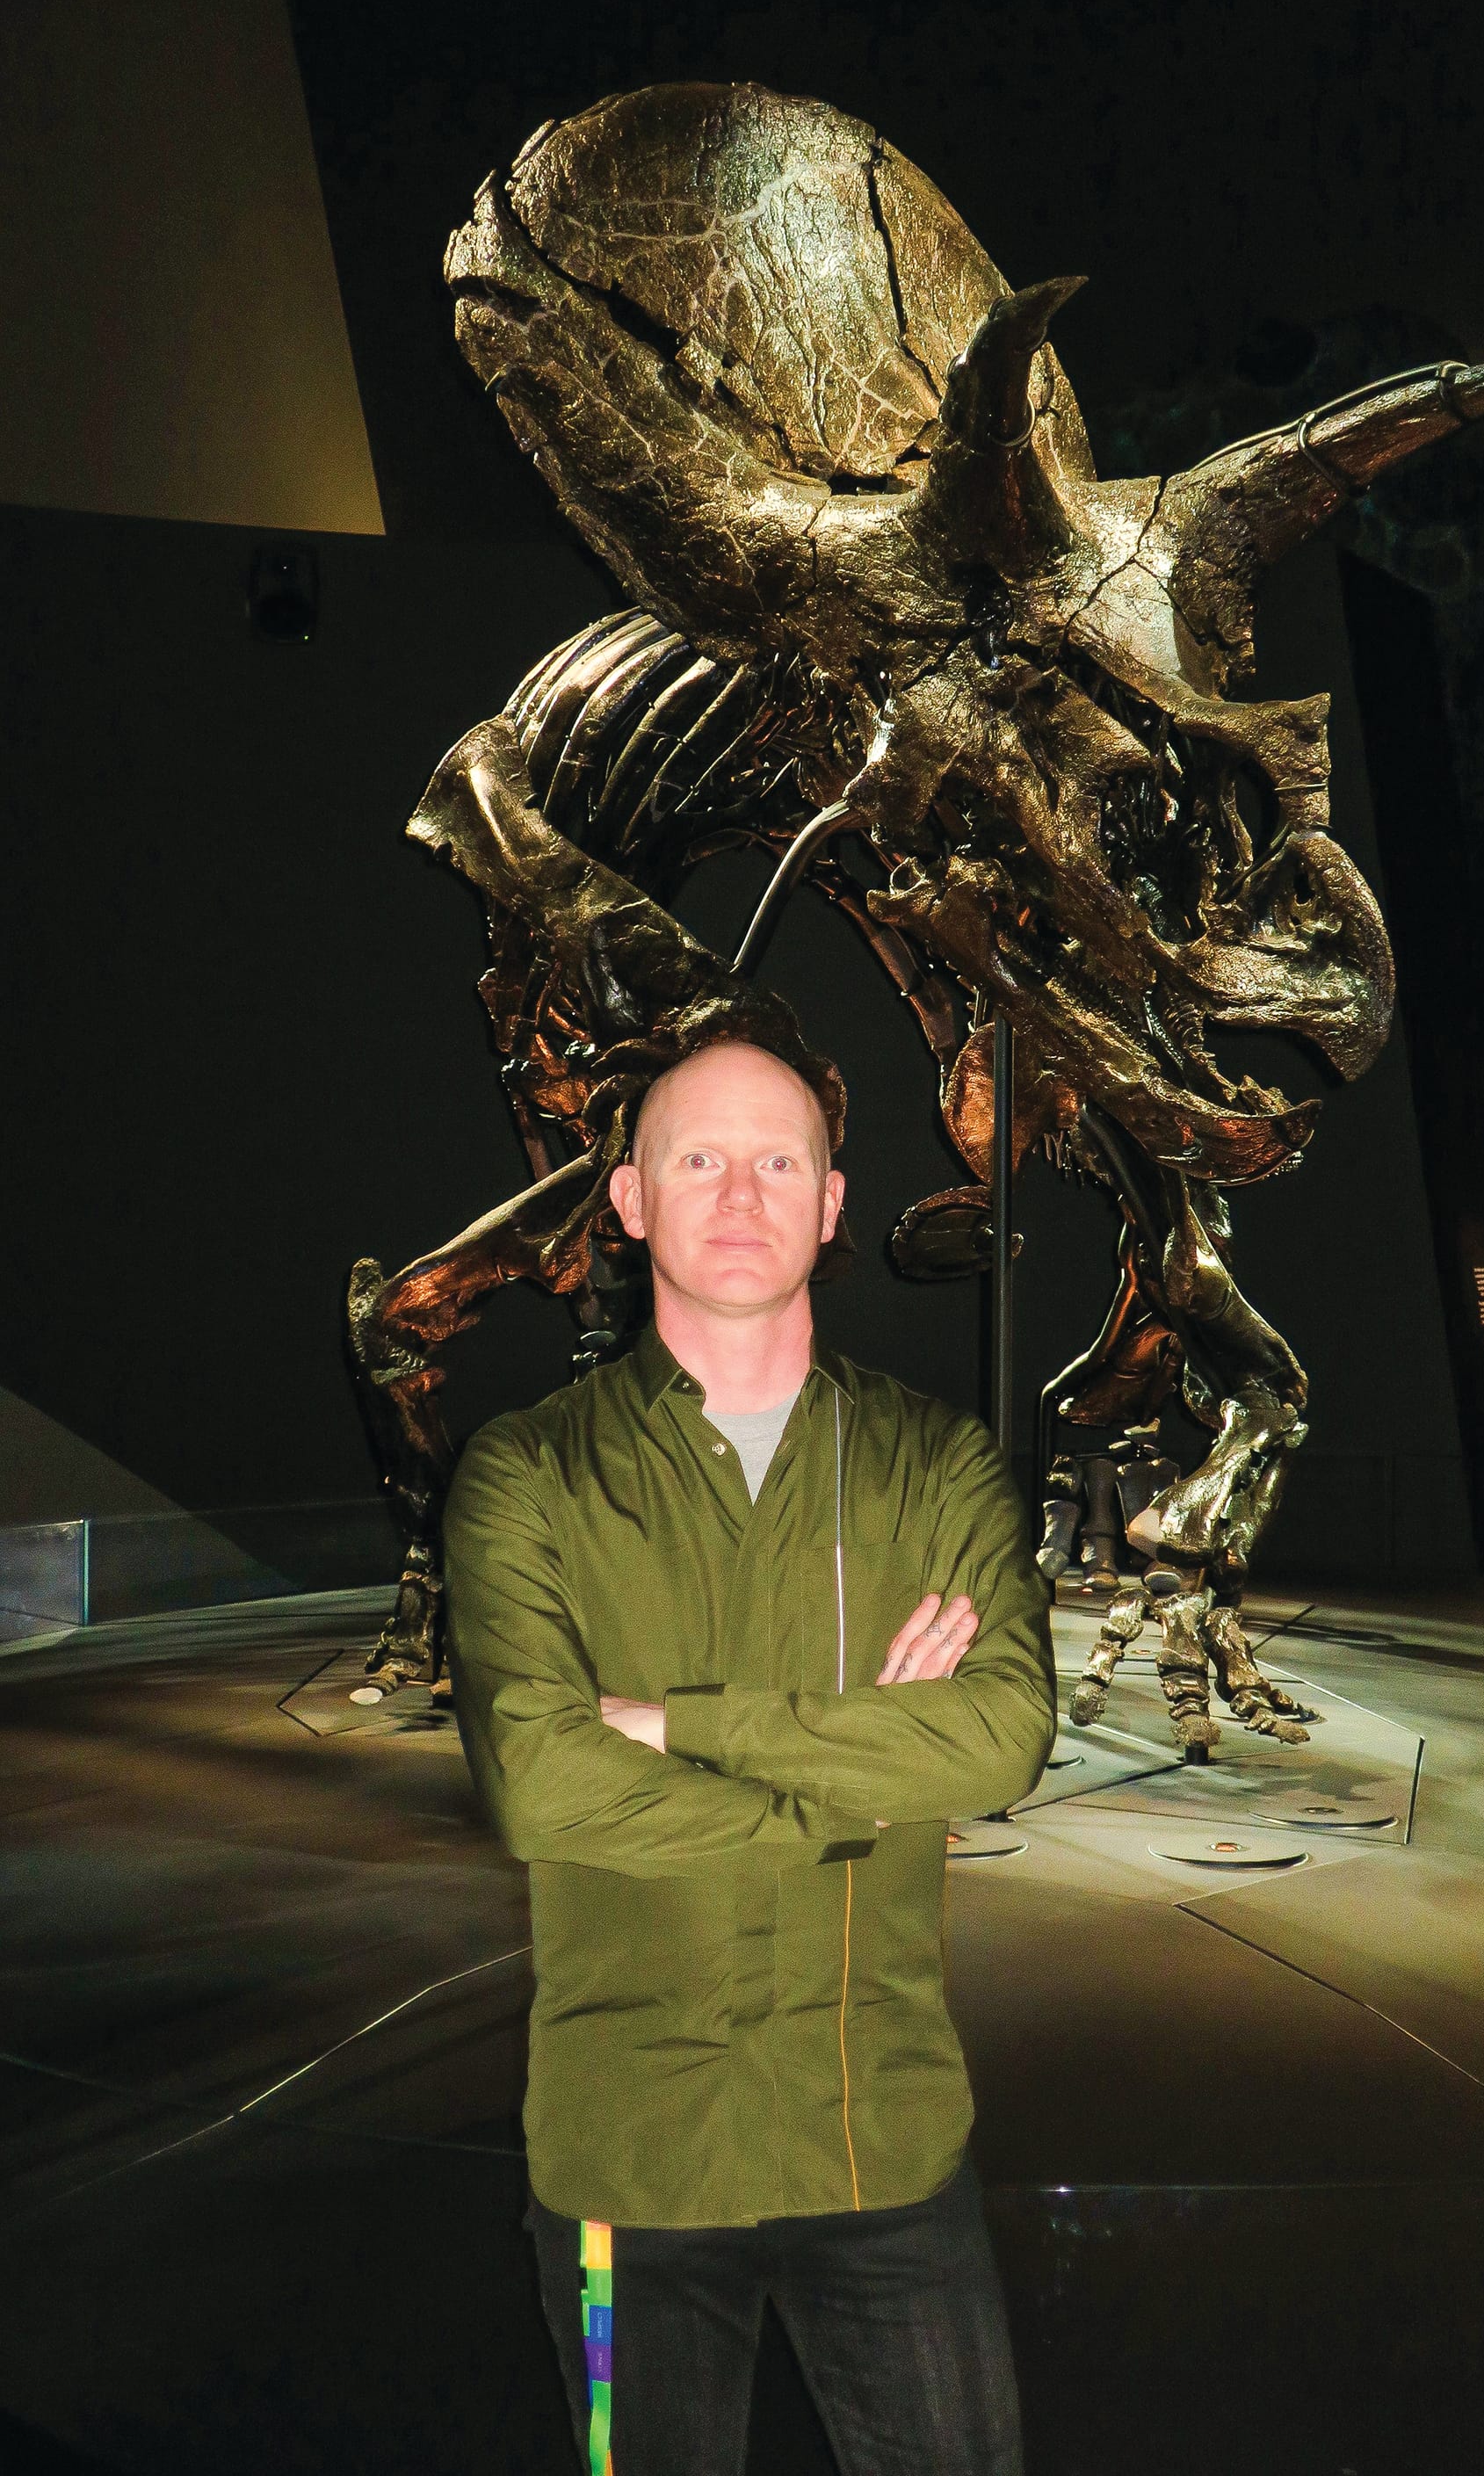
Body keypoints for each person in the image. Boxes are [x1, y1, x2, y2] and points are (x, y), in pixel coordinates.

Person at [443, 1034, 1056, 2476]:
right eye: (698, 1159)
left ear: (832, 1203)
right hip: (624, 2175)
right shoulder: (527, 1474)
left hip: (886, 2145)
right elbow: (539, 1780)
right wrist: (857, 1792)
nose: (738, 1194)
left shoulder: (937, 1464)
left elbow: (1003, 1735)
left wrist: (679, 1728)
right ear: (630, 1199)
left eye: (778, 1160)